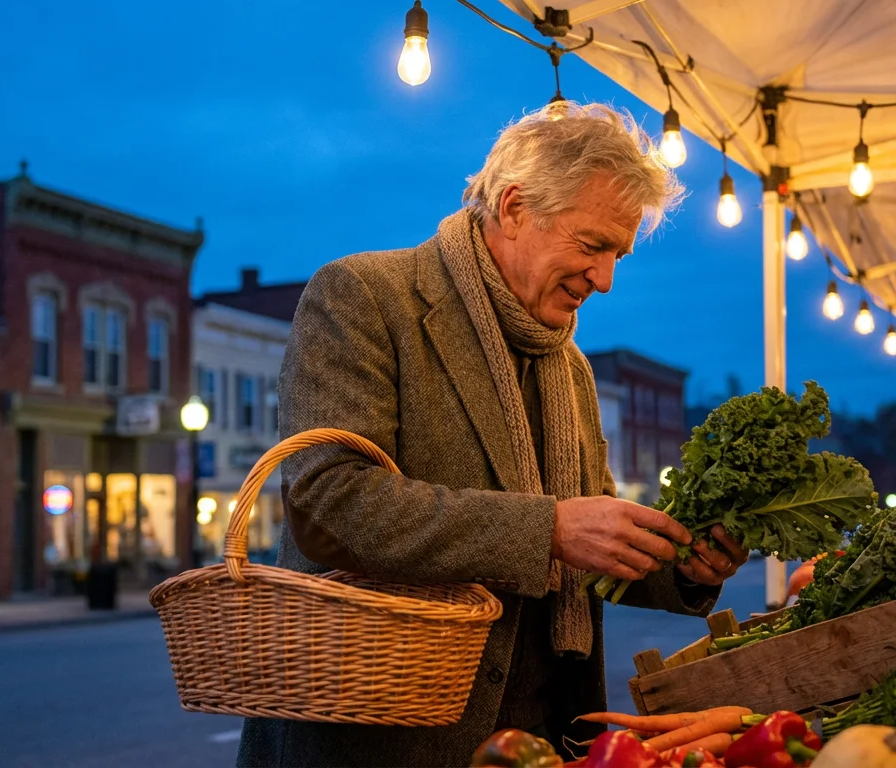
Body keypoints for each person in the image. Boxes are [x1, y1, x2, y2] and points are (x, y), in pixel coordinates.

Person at [237, 102, 749, 767]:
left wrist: (681, 566)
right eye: (593, 245)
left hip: (545, 737)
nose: (606, 279)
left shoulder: (574, 369)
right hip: (384, 740)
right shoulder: (363, 295)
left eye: (617, 254)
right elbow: (329, 505)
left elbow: (591, 550)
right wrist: (551, 530)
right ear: (513, 209)